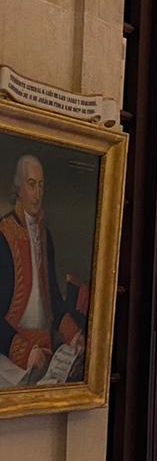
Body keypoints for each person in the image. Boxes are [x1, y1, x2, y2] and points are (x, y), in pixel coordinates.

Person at [0, 153, 85, 386]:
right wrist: (24, 352)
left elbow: (53, 301)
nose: (37, 194)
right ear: (18, 188)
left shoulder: (45, 235)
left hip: (44, 350)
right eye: (31, 184)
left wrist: (74, 334)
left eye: (41, 185)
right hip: (8, 352)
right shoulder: (2, 235)